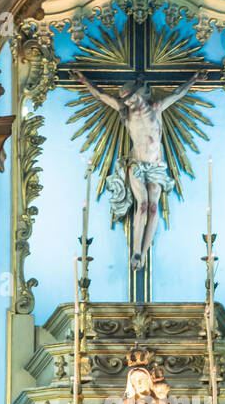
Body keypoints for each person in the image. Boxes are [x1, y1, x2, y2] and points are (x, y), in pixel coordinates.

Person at [76, 69, 196, 266]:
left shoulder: (157, 108)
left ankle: (144, 252)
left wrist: (193, 79)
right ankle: (135, 251)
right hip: (137, 164)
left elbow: (177, 94)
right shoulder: (124, 111)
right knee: (141, 205)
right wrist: (83, 80)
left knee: (153, 208)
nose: (128, 102)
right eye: (125, 99)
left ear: (139, 94)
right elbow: (100, 95)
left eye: (130, 97)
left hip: (156, 166)